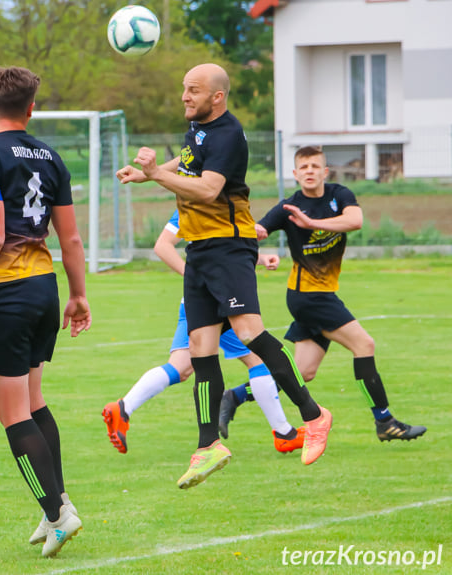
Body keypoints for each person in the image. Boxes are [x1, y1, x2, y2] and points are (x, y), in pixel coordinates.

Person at [117, 63, 332, 490]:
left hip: (229, 247)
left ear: (217, 96)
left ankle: (313, 415)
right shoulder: (198, 128)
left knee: (251, 333)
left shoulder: (229, 134)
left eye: (193, 90)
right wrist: (151, 171)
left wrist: (158, 174)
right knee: (200, 347)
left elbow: (210, 187)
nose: (184, 96)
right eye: (184, 88)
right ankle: (208, 445)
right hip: (199, 249)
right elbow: (191, 158)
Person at [0, 66, 91, 558]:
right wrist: (78, 294)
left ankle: (58, 515)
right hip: (45, 289)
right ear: (31, 108)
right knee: (33, 402)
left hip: (6, 294)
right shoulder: (51, 157)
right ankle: (57, 502)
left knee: (13, 415)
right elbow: (71, 238)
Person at [224, 145, 426, 442]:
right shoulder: (287, 207)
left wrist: (311, 223)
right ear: (295, 174)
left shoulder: (339, 195)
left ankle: (235, 396)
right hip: (308, 297)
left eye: (315, 167)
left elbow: (355, 221)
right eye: (303, 167)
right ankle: (384, 421)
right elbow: (257, 230)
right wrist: (251, 246)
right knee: (364, 345)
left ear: (324, 172)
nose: (309, 172)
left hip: (320, 294)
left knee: (303, 372)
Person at [103, 209, 306, 455]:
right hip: (218, 303)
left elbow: (224, 249)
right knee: (259, 360)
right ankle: (285, 433)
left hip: (199, 301)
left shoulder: (217, 201)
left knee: (180, 366)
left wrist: (259, 258)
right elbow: (163, 246)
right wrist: (197, 279)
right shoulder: (201, 202)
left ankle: (123, 408)